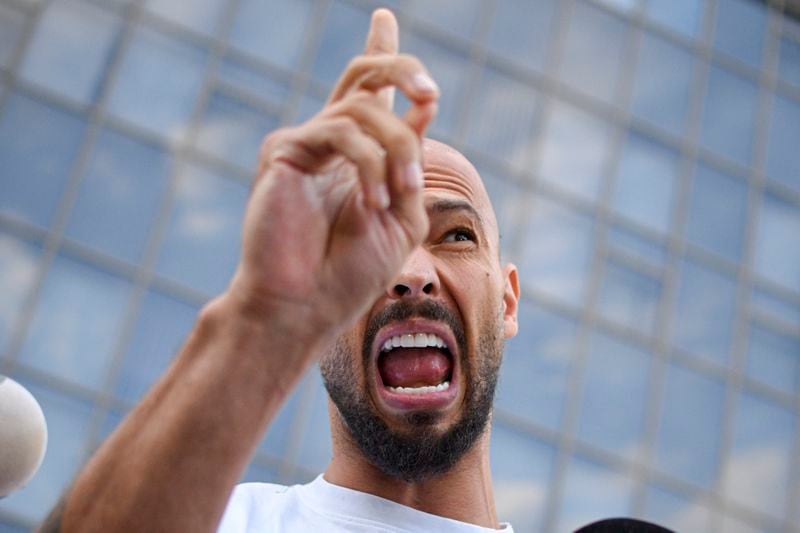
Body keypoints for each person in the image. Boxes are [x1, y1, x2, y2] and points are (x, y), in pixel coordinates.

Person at [41, 8, 520, 532]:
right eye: (369, 241)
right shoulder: (216, 520)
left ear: (507, 301)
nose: (409, 272)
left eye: (455, 236)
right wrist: (266, 311)